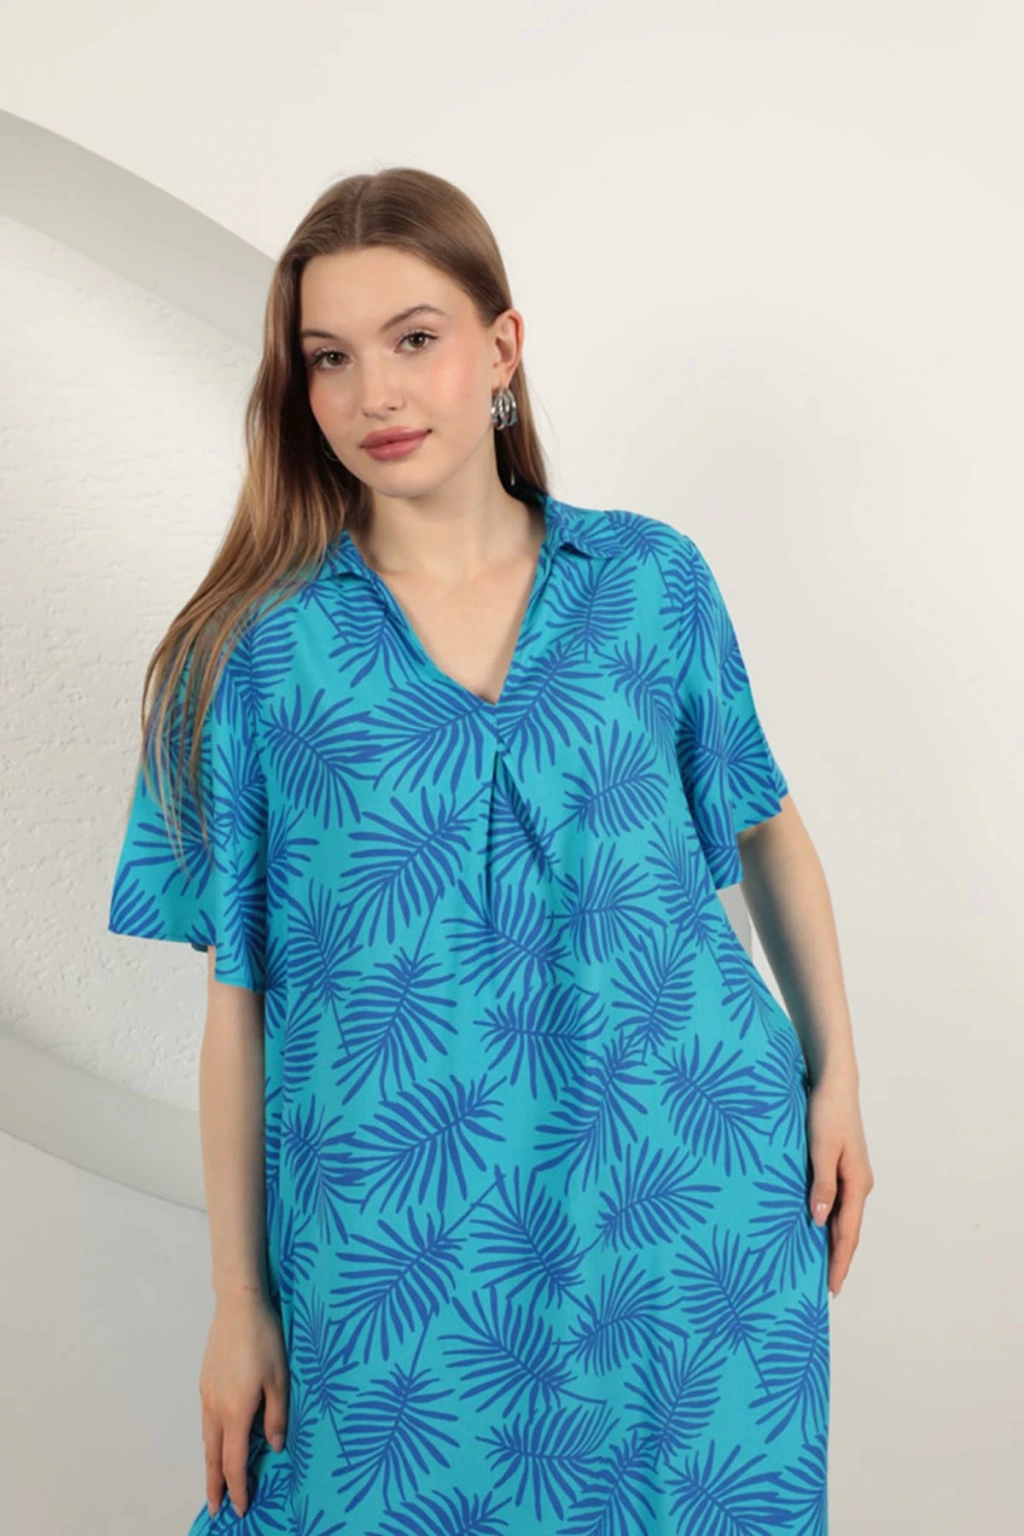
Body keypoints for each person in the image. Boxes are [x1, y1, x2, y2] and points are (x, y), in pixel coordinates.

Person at [107, 165, 873, 1534]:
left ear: (503, 348)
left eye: (415, 339)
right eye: (330, 358)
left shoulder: (650, 582)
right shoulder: (250, 654)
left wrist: (839, 1083)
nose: (376, 394)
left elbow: (766, 827)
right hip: (394, 1256)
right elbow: (238, 1000)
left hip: (688, 1204)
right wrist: (238, 1301)